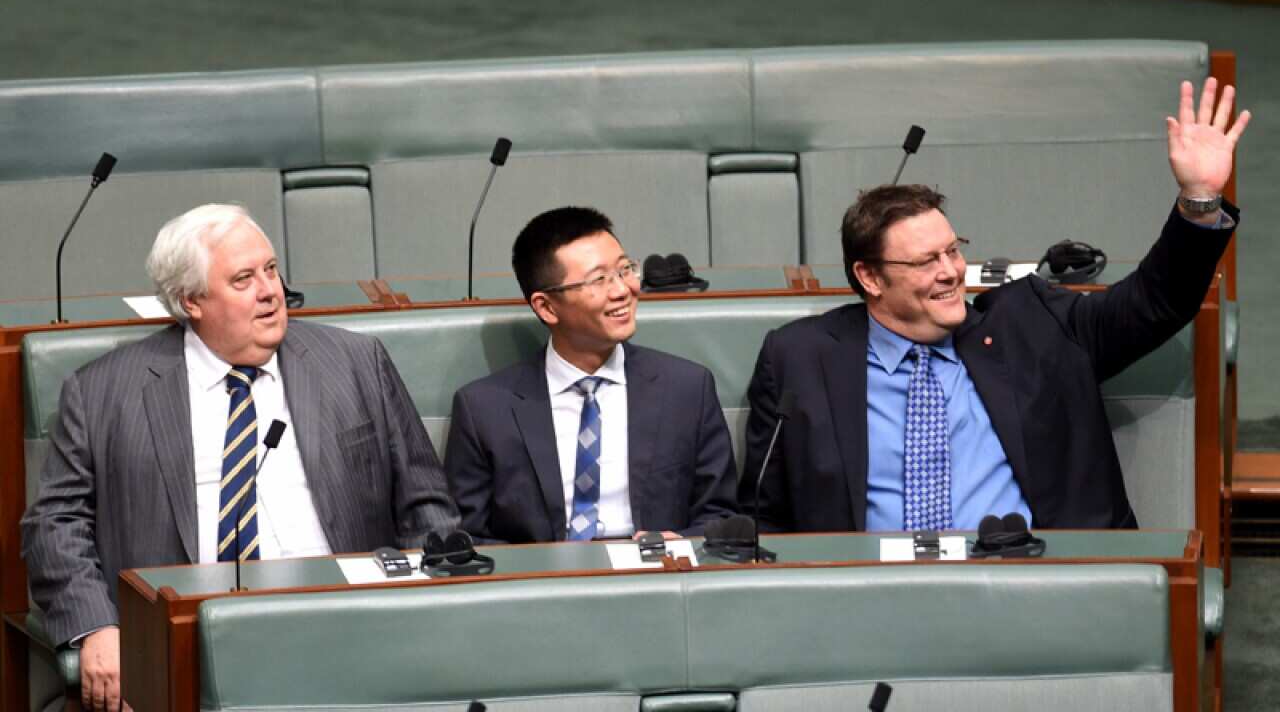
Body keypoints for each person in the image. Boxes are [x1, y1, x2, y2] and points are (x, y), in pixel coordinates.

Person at [743, 78, 1251, 533]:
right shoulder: (799, 358)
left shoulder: (1031, 323)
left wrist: (1200, 197)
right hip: (869, 608)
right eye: (925, 262)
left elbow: (1154, 303)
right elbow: (762, 518)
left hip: (1032, 589)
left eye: (953, 250)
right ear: (870, 278)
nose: (950, 271)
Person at [21, 204, 459, 711]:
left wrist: (422, 618)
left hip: (348, 630)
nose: (270, 290)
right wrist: (96, 627)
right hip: (189, 644)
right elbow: (55, 523)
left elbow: (427, 505)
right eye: (244, 279)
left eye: (271, 269)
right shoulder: (103, 392)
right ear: (192, 301)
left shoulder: (356, 362)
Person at [445, 206, 738, 544]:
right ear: (546, 307)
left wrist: (685, 543)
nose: (622, 290)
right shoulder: (483, 409)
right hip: (542, 586)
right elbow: (468, 538)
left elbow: (721, 514)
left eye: (625, 269)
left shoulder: (687, 388)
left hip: (655, 580)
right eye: (599, 279)